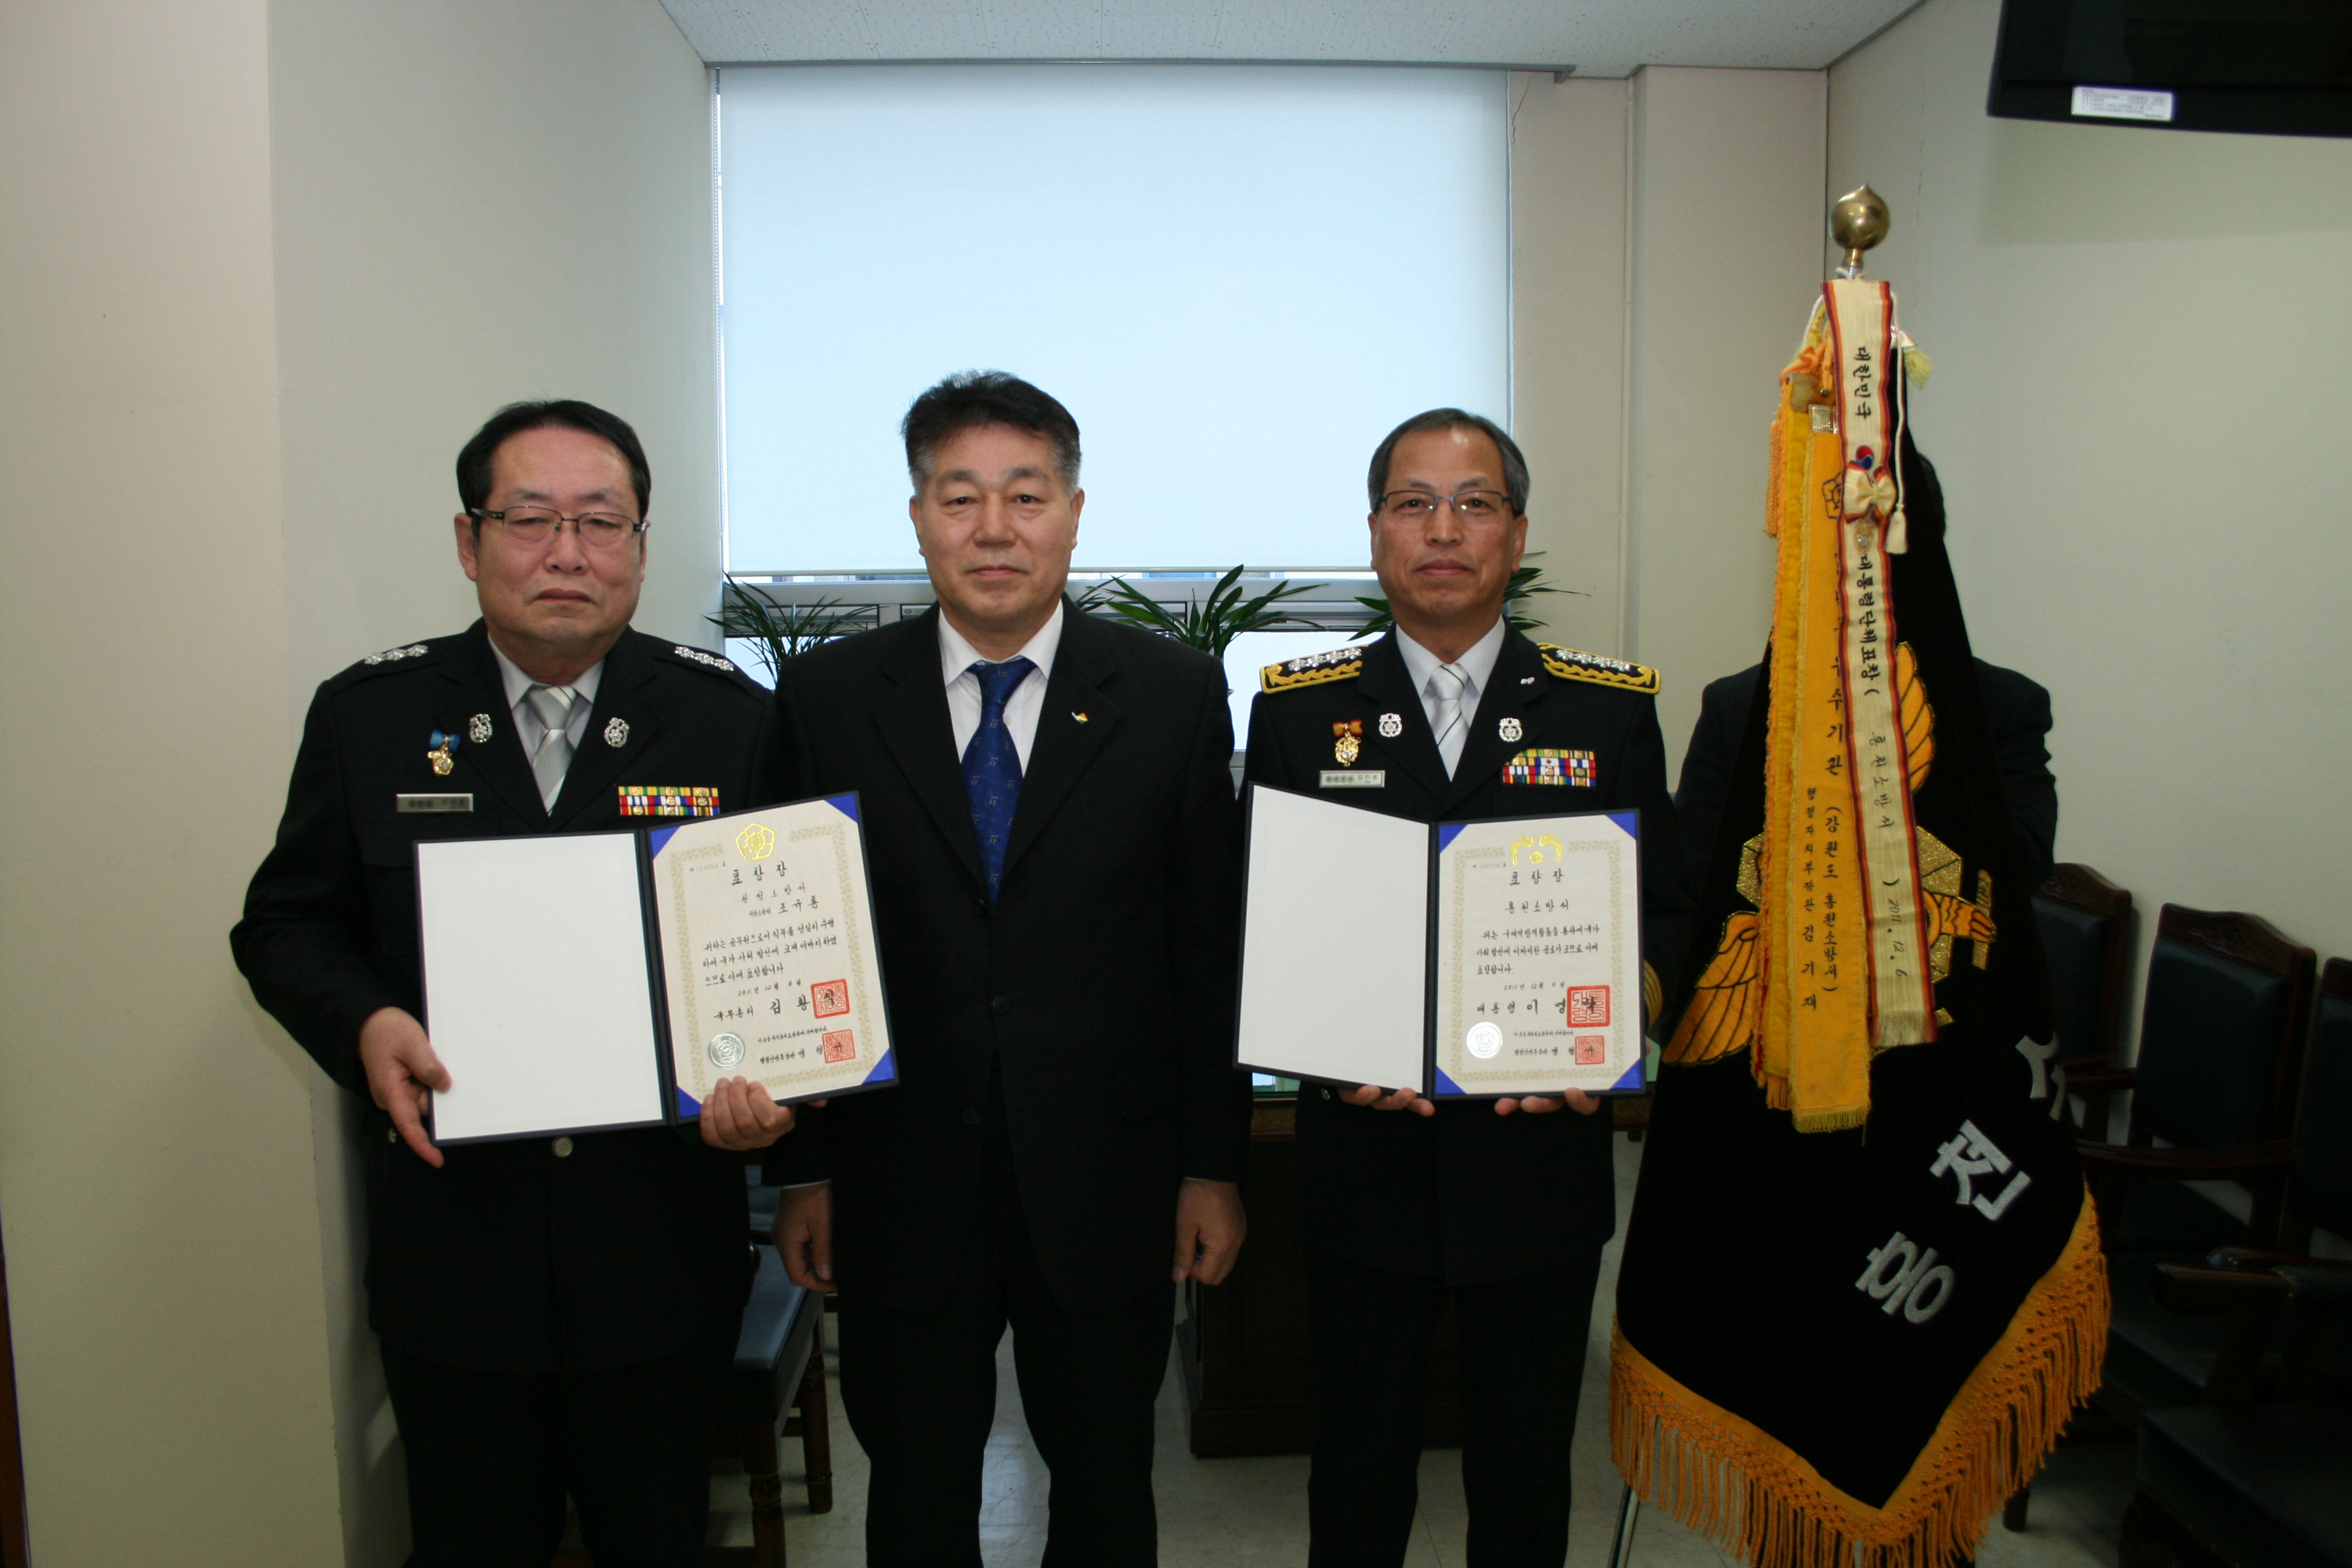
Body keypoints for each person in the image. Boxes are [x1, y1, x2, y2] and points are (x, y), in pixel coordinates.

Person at [231, 400, 794, 1566]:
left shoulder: (727, 723)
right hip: (457, 1262)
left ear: (641, 546)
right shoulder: (373, 719)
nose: (566, 553)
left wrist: (774, 1085)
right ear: (468, 539)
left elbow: (781, 947)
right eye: (530, 519)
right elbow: (285, 925)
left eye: (601, 522)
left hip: (655, 1261)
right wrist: (366, 1021)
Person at [762, 370, 1250, 1567]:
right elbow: (790, 945)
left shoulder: (1172, 695)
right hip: (897, 1181)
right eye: (959, 497)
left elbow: (1209, 951)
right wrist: (805, 1170)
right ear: (917, 516)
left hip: (1106, 1181)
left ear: (1074, 513)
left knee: (1107, 1485)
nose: (994, 529)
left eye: (1025, 497)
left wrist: (1211, 1167)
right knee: (917, 1493)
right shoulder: (828, 698)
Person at [1243, 409, 1691, 1567]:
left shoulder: (1604, 708)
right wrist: (1322, 1047)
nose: (1443, 530)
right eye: (1414, 504)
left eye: (1474, 503)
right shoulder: (1297, 708)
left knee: (1527, 1480)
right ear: (1377, 534)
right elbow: (1262, 917)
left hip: (1536, 1169)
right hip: (1363, 1168)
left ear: (1517, 533)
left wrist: (1616, 1031)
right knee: (1355, 1478)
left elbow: (1668, 914)